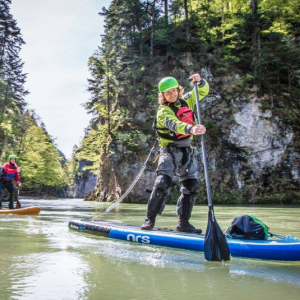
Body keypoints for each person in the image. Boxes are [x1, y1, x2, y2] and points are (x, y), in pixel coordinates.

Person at [141, 74, 209, 233]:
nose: (171, 94)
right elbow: (174, 124)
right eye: (167, 92)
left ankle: (183, 223)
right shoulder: (162, 111)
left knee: (192, 185)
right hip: (169, 151)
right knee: (162, 182)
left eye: (174, 91)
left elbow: (203, 92)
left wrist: (200, 82)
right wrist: (191, 129)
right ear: (162, 95)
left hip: (187, 150)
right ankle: (149, 219)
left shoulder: (187, 101)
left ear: (179, 90)